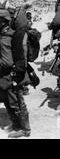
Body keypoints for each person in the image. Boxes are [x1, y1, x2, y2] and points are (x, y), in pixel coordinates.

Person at [0, 9, 31, 138]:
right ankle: (17, 125)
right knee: (8, 100)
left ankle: (25, 129)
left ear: (2, 22)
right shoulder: (6, 35)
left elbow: (6, 62)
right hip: (6, 76)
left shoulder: (6, 38)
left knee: (16, 102)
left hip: (11, 75)